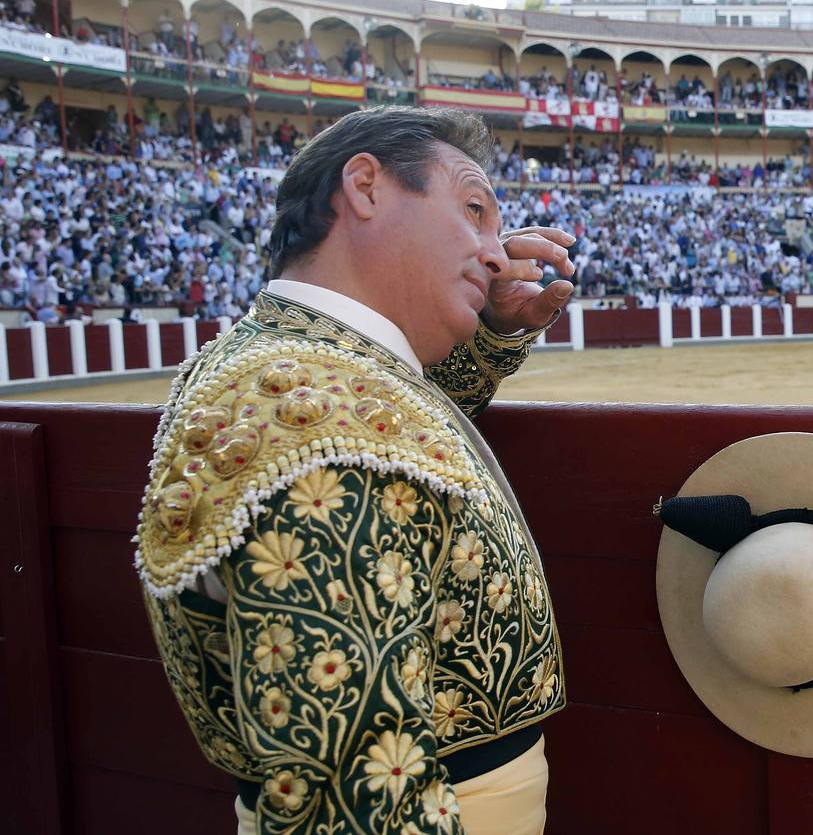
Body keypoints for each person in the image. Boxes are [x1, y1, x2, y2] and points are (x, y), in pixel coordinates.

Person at [134, 107, 575, 835]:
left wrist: (489, 331)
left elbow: (405, 439)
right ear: (365, 186)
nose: (497, 254)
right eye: (473, 210)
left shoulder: (293, 371)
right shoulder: (318, 419)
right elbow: (354, 786)